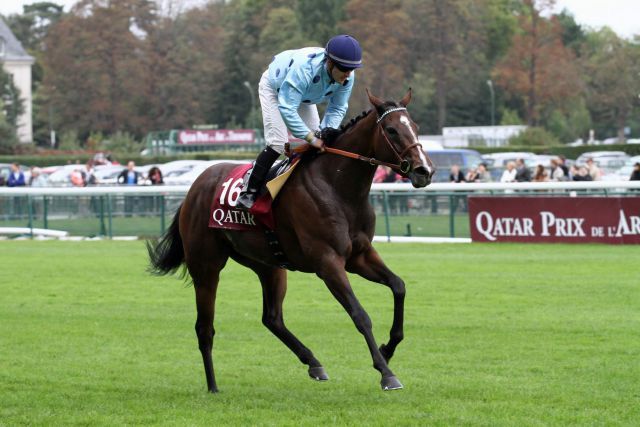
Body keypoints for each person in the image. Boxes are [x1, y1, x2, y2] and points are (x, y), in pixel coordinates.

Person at [236, 34, 363, 209]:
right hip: (275, 88)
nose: (348, 75)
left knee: (317, 145)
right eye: (344, 69)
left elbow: (337, 108)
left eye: (352, 69)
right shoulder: (304, 69)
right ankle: (249, 190)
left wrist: (324, 134)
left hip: (304, 96)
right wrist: (311, 137)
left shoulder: (348, 76)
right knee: (278, 143)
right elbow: (287, 108)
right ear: (330, 63)